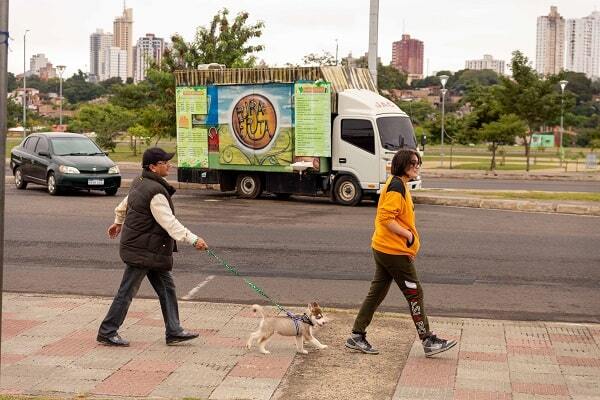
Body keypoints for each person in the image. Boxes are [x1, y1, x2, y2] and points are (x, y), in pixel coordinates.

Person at [345, 148, 457, 357]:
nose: (416, 167)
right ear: (402, 164)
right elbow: (386, 218)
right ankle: (428, 340)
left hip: (384, 247)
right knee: (415, 293)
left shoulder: (399, 184)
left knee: (377, 292)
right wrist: (408, 237)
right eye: (412, 163)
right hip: (392, 250)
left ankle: (356, 336)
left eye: (418, 163)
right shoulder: (397, 186)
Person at [97, 147, 208, 347]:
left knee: (167, 288)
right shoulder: (155, 192)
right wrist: (193, 239)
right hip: (143, 250)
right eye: (165, 163)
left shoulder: (140, 182)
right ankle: (107, 331)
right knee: (127, 291)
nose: (169, 165)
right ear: (153, 167)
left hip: (148, 249)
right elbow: (169, 222)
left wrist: (118, 221)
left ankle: (173, 330)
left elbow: (123, 205)